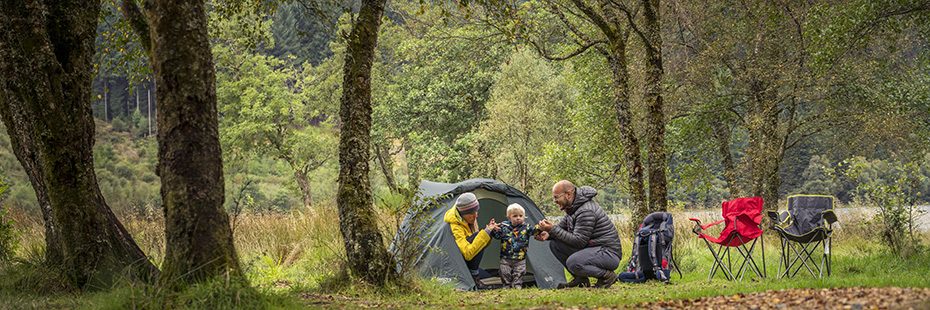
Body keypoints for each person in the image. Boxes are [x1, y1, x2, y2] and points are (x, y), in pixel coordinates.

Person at [535, 180, 622, 289]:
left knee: (574, 263)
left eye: (556, 197)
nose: (554, 201)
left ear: (568, 194)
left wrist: (552, 229)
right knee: (555, 244)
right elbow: (560, 229)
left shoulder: (586, 211)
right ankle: (581, 280)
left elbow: (579, 241)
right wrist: (548, 234)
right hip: (594, 249)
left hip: (608, 253)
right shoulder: (573, 208)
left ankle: (607, 276)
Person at [443, 192, 499, 287]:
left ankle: (476, 273)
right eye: (471, 214)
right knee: (479, 235)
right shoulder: (455, 226)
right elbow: (468, 254)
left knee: (489, 275)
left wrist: (489, 233)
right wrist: (485, 232)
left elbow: (478, 247)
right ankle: (474, 276)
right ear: (462, 213)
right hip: (460, 269)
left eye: (476, 212)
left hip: (470, 267)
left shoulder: (468, 221)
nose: (475, 216)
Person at [490, 203, 538, 289]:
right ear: (509, 217)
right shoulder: (504, 226)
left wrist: (541, 227)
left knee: (519, 272)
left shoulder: (526, 227)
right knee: (504, 272)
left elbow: (534, 231)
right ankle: (506, 285)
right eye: (515, 216)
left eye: (521, 216)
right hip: (505, 257)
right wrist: (493, 229)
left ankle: (517, 285)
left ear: (524, 217)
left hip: (520, 257)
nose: (518, 218)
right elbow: (497, 236)